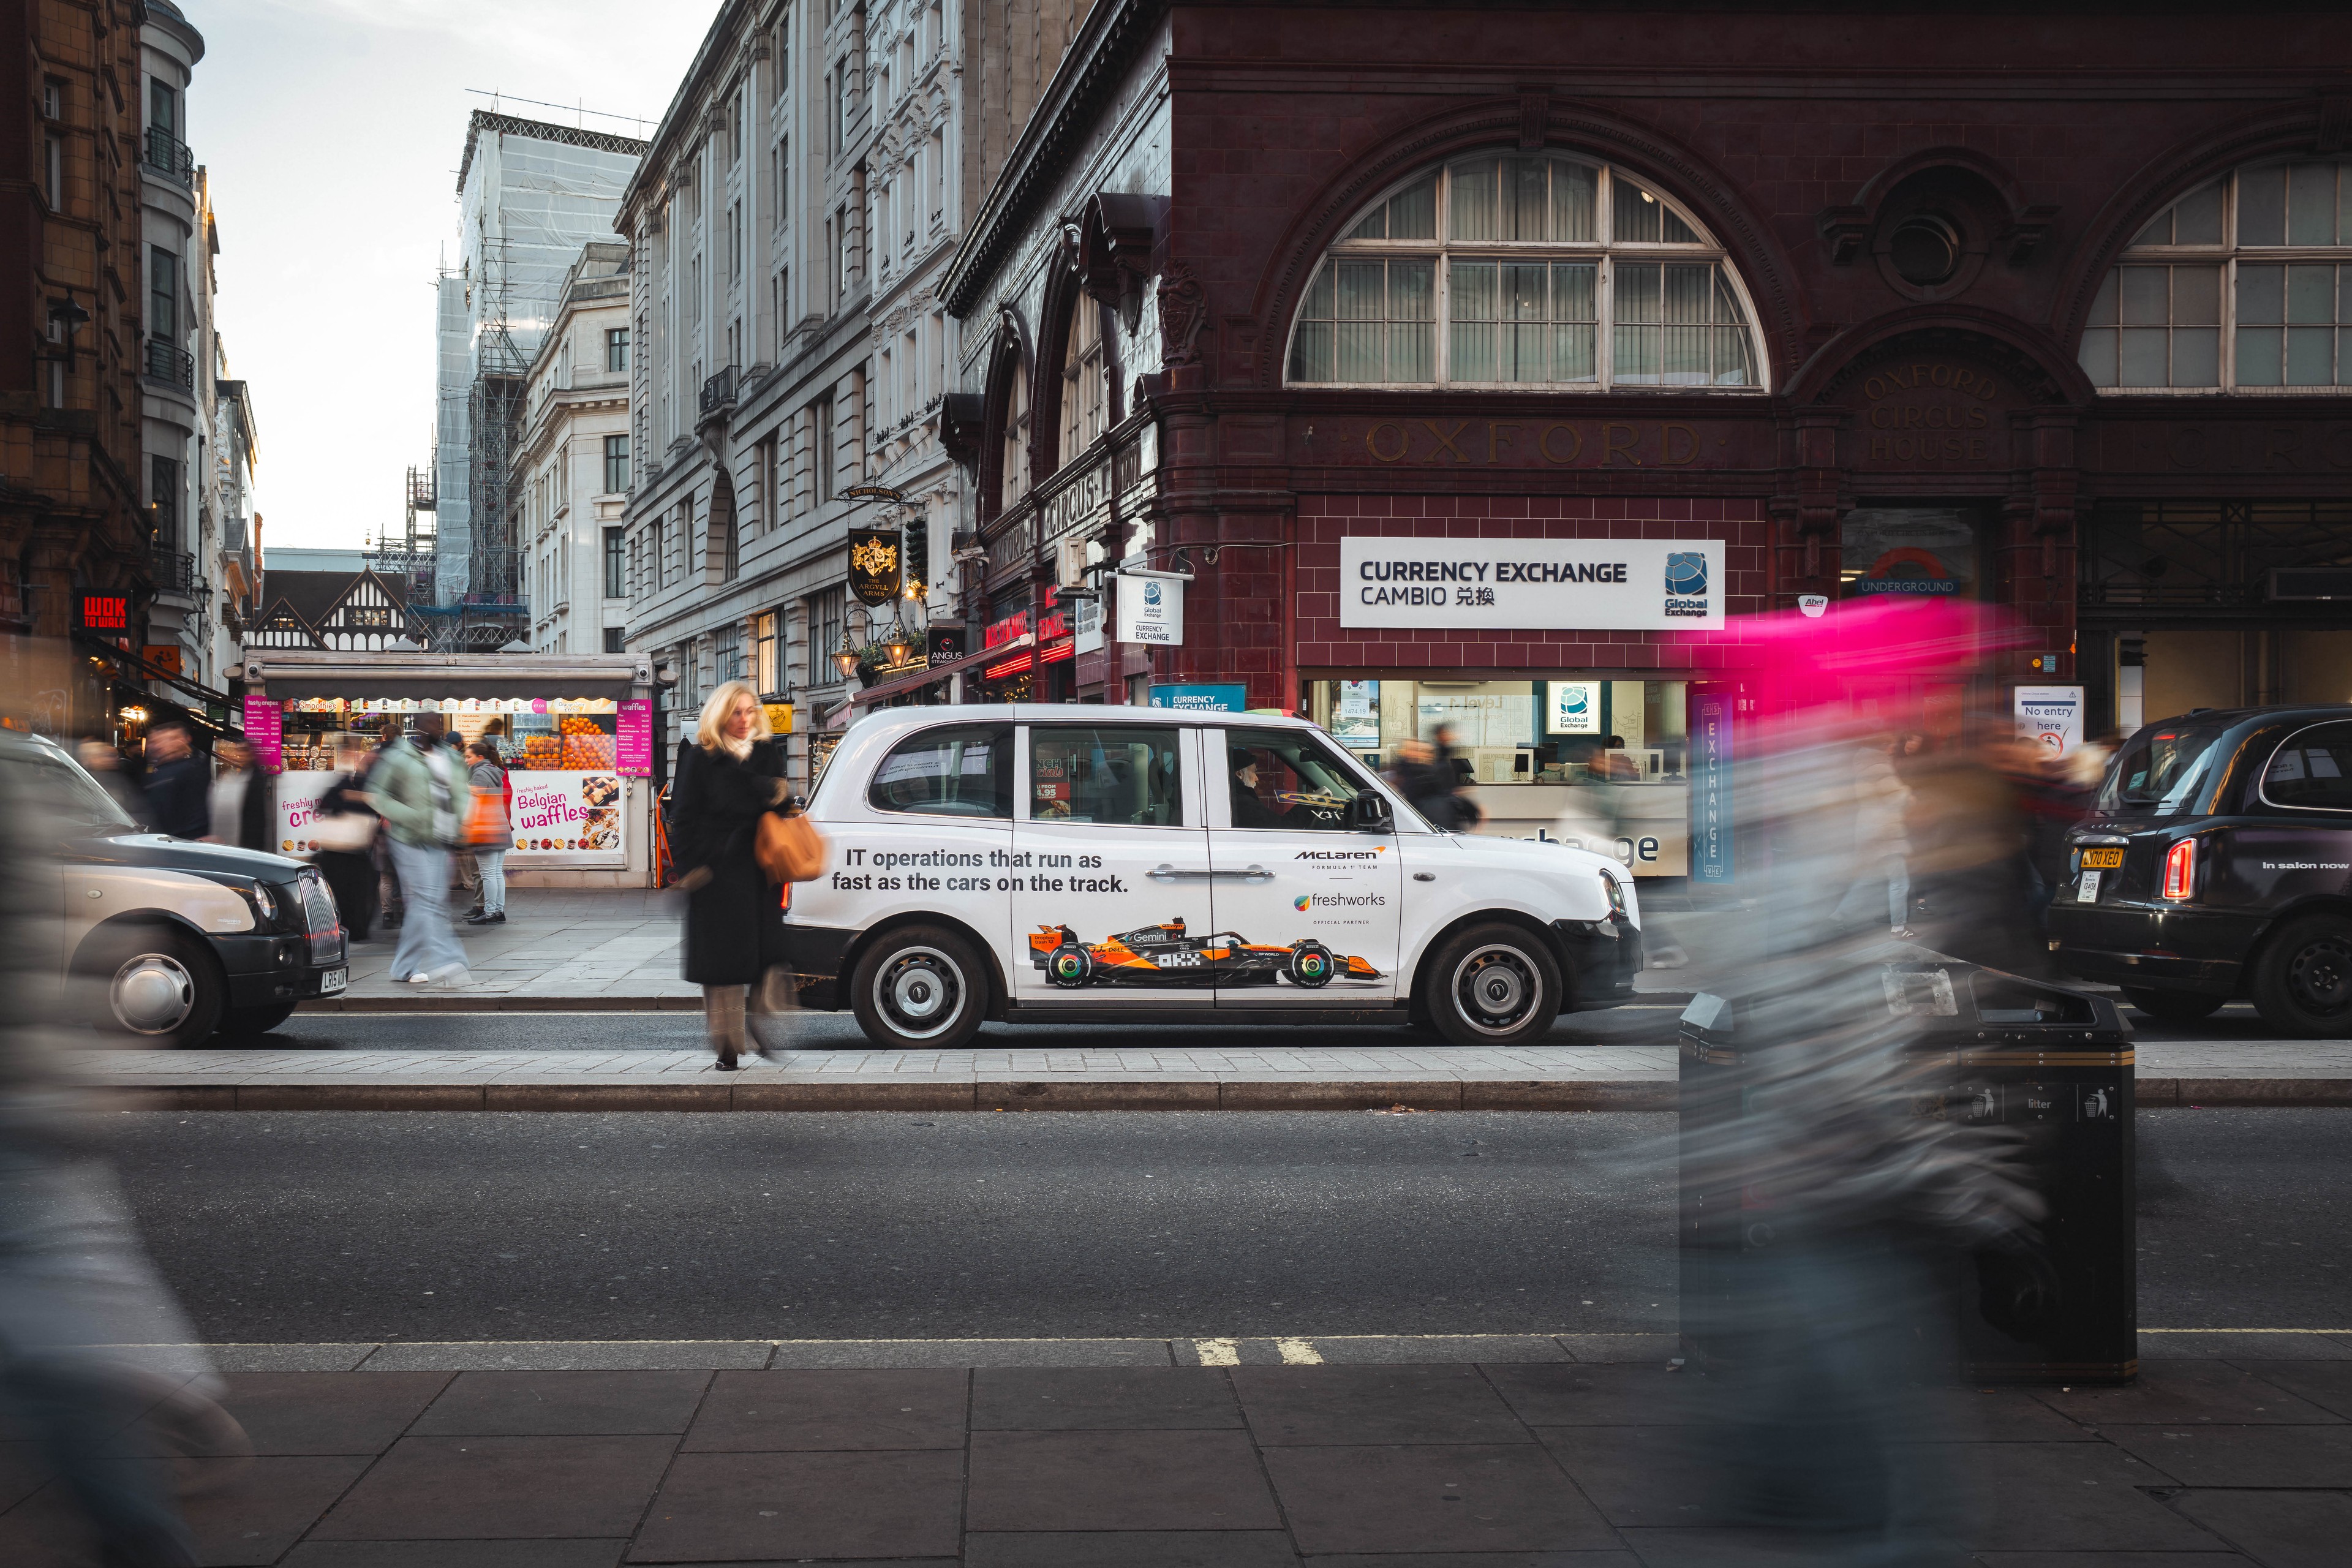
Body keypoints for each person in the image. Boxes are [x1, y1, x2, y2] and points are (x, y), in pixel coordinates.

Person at [669, 679, 792, 1070]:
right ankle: (727, 1045)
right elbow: (683, 817)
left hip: (758, 873)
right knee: (722, 969)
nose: (744, 719)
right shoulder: (700, 757)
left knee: (767, 955)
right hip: (716, 874)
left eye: (749, 711)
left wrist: (775, 795)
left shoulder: (766, 752)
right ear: (721, 715)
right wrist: (692, 869)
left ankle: (759, 1023)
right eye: (736, 712)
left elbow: (781, 805)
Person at [371, 713, 471, 987]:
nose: (433, 728)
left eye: (437, 723)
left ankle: (403, 968)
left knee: (426, 905)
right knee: (428, 902)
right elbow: (377, 793)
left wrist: (459, 821)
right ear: (417, 729)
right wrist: (411, 815)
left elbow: (461, 792)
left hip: (441, 839)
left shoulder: (451, 758)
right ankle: (448, 961)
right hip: (408, 838)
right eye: (428, 724)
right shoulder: (400, 757)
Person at [313, 740, 382, 941]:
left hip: (354, 848)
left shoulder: (359, 779)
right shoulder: (344, 779)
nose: (357, 756)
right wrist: (355, 799)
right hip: (343, 848)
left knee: (358, 891)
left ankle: (353, 928)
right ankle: (349, 928)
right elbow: (326, 804)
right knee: (350, 891)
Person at [464, 740, 510, 925]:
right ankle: (499, 911)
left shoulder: (480, 774)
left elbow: (474, 804)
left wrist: (465, 825)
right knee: (497, 873)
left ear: (479, 757)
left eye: (469, 757)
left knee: (488, 874)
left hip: (486, 829)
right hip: (500, 826)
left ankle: (490, 912)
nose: (466, 760)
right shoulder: (494, 771)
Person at [140, 720, 209, 840]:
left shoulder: (192, 768)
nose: (162, 745)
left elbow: (197, 810)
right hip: (157, 839)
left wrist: (194, 839)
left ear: (185, 741)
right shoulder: (154, 770)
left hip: (179, 841)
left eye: (172, 739)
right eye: (157, 741)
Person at [205, 737, 271, 851]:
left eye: (244, 750)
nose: (240, 754)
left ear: (252, 754)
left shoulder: (255, 779)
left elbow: (256, 820)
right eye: (239, 750)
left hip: (248, 843)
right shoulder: (238, 776)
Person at [78, 739, 153, 827]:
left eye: (115, 755)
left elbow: (136, 807)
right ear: (93, 758)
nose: (116, 758)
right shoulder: (82, 781)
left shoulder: (119, 778)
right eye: (109, 756)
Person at [1229, 748, 1291, 829]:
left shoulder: (1230, 797)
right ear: (1240, 774)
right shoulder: (1243, 802)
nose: (1256, 778)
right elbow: (1281, 827)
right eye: (1253, 772)